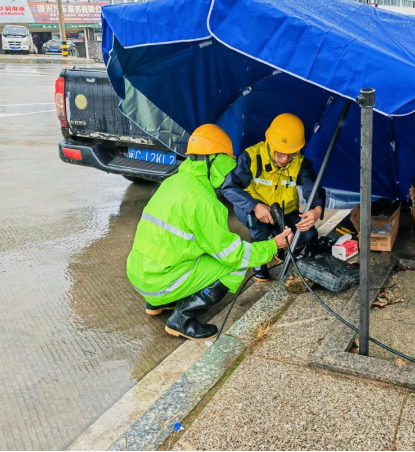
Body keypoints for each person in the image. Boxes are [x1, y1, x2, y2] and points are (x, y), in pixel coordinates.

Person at [126, 124, 293, 341]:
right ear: (212, 160)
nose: (229, 168)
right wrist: (273, 246)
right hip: (159, 281)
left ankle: (158, 303)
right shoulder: (203, 201)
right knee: (233, 268)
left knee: (195, 250)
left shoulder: (173, 181)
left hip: (140, 273)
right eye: (227, 160)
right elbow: (234, 254)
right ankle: (182, 319)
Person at [222, 113, 326, 282]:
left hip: (285, 212)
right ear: (270, 144)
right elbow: (229, 187)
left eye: (291, 154)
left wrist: (317, 209)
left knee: (308, 235)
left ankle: (279, 246)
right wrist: (254, 205)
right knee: (260, 228)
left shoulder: (300, 163)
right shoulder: (251, 157)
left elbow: (313, 189)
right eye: (280, 154)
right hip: (255, 209)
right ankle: (259, 261)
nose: (285, 159)